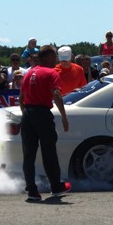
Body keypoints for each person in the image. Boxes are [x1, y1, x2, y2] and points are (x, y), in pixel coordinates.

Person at [20, 45, 71, 202]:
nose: (56, 59)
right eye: (54, 56)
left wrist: (26, 115)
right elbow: (56, 94)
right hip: (42, 113)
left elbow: (21, 97)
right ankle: (55, 186)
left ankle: (32, 190)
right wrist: (63, 116)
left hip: (27, 114)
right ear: (48, 57)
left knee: (29, 154)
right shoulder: (51, 73)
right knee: (49, 151)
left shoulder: (29, 73)